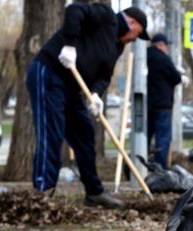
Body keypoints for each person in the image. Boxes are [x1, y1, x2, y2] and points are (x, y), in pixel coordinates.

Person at [27, 3, 149, 209]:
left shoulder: (117, 47)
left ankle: (94, 192)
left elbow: (104, 76)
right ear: (132, 22)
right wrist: (69, 44)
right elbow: (74, 10)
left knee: (84, 133)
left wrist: (95, 95)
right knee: (51, 133)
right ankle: (42, 192)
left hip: (72, 88)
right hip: (49, 73)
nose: (136, 39)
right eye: (138, 33)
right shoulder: (106, 17)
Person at [147, 33, 183, 168]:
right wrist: (179, 74)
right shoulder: (163, 59)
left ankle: (141, 165)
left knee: (145, 136)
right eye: (166, 46)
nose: (167, 48)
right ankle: (160, 166)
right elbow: (175, 78)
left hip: (146, 105)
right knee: (162, 138)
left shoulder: (143, 57)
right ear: (161, 45)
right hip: (162, 105)